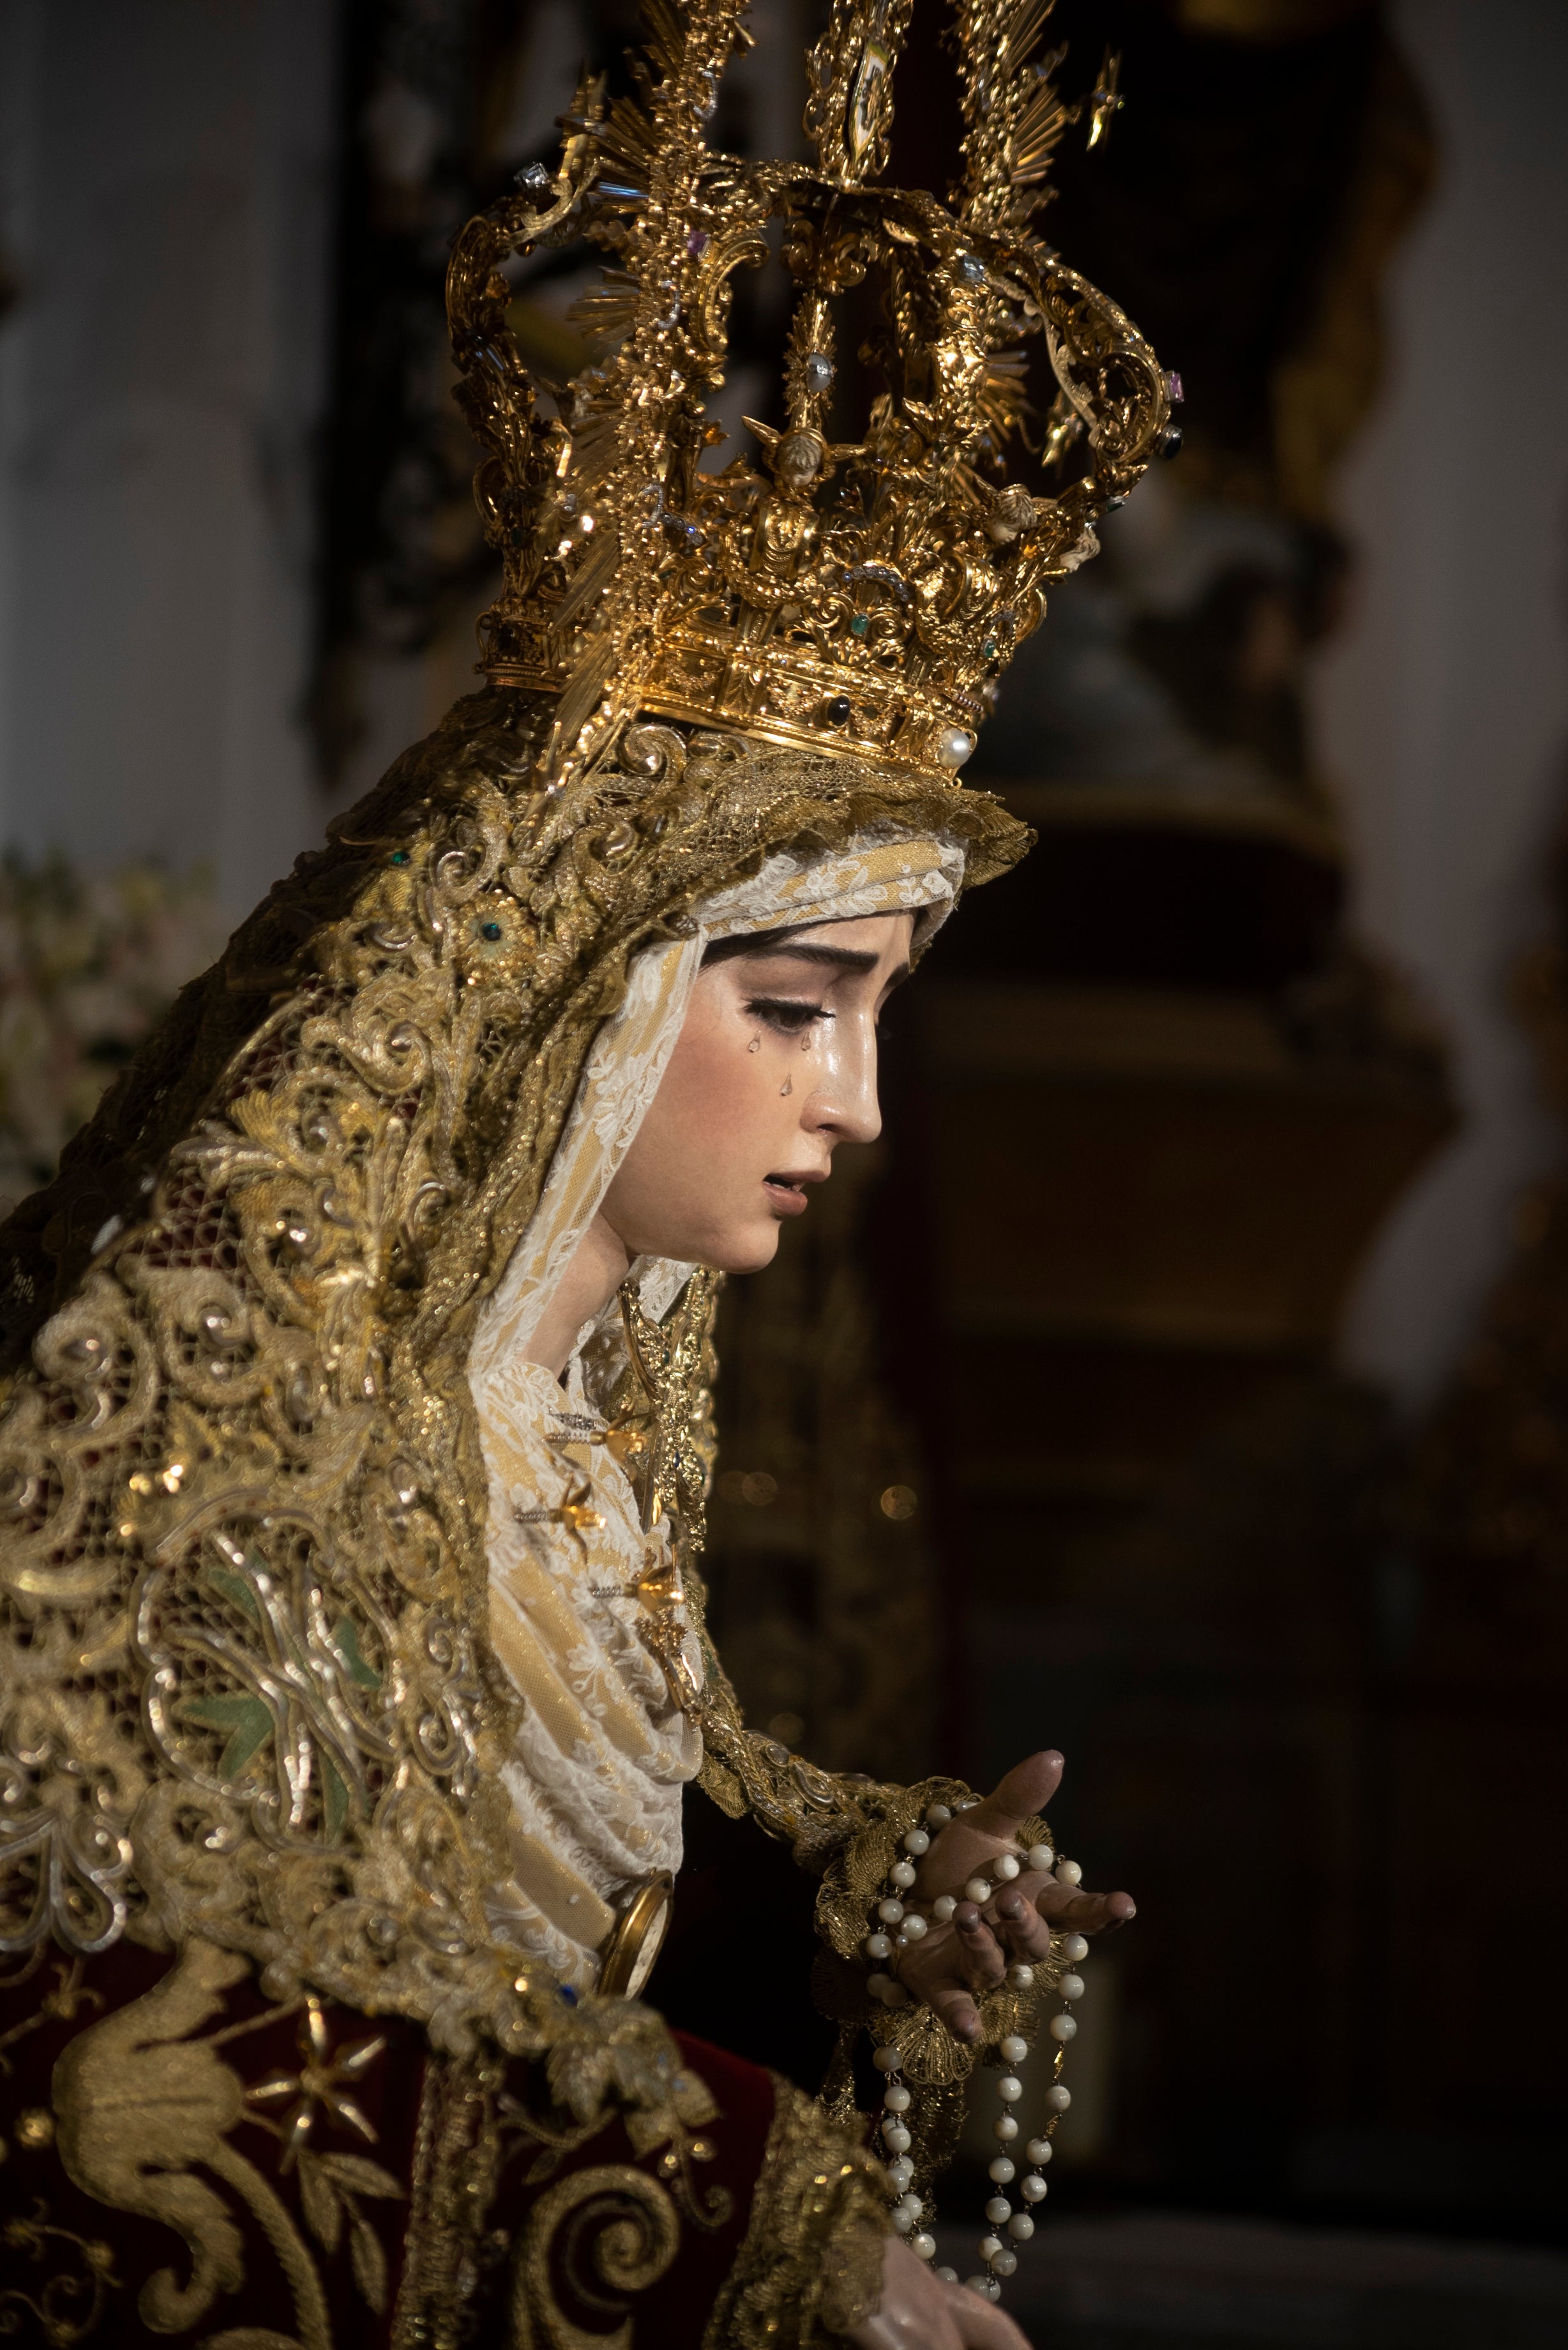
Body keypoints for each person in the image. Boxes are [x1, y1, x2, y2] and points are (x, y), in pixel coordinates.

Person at [0, 3, 1166, 2341]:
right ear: (580, 993)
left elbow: (575, 1922)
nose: (852, 1106)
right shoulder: (237, 1459)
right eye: (796, 1006)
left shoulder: (573, 1453)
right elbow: (127, 2038)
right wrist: (768, 2228)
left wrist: (854, 1874)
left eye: (877, 1020)